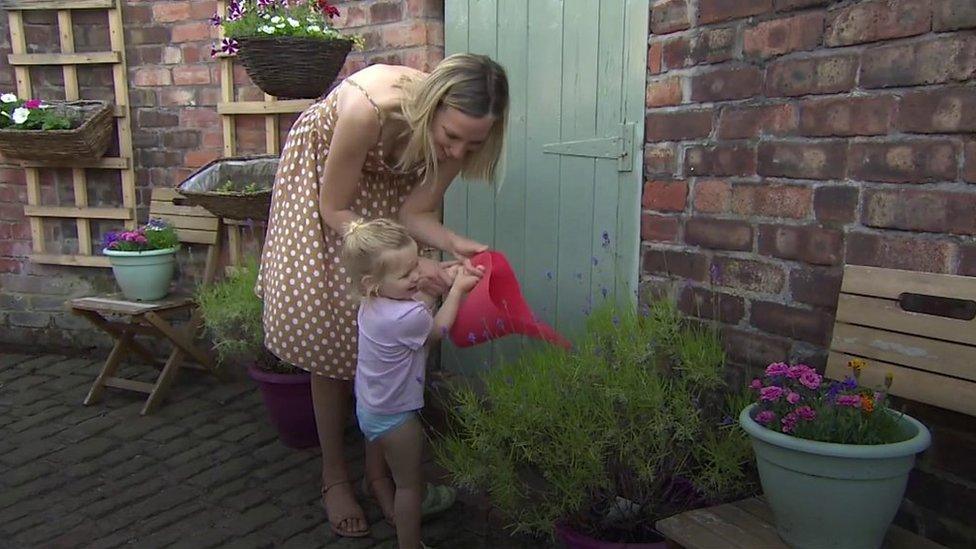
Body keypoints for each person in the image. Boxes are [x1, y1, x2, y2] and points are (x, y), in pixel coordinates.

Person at [256, 53, 509, 538]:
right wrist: (403, 262)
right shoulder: (368, 109)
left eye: (472, 143)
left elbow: (416, 212)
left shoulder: (464, 138)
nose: (458, 151)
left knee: (378, 337)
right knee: (331, 337)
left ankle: (381, 475)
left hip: (380, 208)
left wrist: (453, 245)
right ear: (431, 107)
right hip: (328, 195)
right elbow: (334, 207)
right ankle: (335, 477)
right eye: (451, 137)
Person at [342, 218, 479, 548]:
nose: (417, 275)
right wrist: (457, 290)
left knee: (386, 461)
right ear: (372, 283)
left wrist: (434, 277)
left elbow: (414, 300)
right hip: (397, 417)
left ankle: (378, 490)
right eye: (406, 274)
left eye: (416, 264)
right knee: (409, 485)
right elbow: (435, 332)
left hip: (370, 406)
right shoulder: (408, 317)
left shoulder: (371, 302)